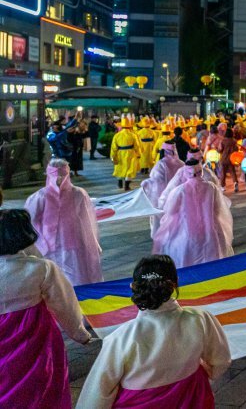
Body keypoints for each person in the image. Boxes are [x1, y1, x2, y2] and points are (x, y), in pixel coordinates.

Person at [77, 255, 232, 407]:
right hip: (191, 398)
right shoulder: (200, 319)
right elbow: (220, 361)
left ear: (134, 287)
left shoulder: (121, 337)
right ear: (175, 285)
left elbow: (97, 392)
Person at [0, 209, 93, 407]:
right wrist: (79, 333)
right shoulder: (41, 268)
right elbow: (64, 304)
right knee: (43, 383)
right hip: (35, 338)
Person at [24, 159, 103, 286]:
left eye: (62, 176)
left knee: (77, 281)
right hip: (48, 248)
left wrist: (92, 244)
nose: (59, 180)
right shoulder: (40, 197)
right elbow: (30, 222)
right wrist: (41, 244)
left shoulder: (79, 194)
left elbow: (87, 221)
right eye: (56, 176)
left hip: (74, 247)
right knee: (53, 282)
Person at [152, 155, 234, 268]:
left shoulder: (179, 190)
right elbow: (218, 207)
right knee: (211, 258)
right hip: (210, 229)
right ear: (201, 171)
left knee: (187, 257)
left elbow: (170, 210)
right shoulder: (211, 187)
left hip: (186, 230)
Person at [142, 143, 184, 237]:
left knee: (158, 217)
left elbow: (155, 180)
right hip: (178, 196)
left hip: (163, 195)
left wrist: (146, 183)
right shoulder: (181, 163)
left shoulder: (161, 164)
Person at [111, 118, 141, 191]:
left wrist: (113, 157)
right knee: (130, 169)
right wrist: (138, 154)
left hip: (120, 153)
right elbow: (137, 146)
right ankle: (127, 186)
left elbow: (113, 147)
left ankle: (120, 182)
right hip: (131, 153)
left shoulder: (117, 135)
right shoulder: (133, 135)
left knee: (120, 168)